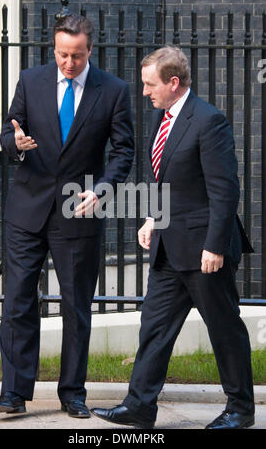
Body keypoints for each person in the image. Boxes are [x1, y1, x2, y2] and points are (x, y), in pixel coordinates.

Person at [91, 46, 255, 430]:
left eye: (150, 84)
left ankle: (240, 409)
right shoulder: (162, 118)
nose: (145, 91)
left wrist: (215, 245)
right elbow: (165, 180)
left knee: (224, 328)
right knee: (154, 326)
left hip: (203, 251)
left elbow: (225, 190)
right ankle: (139, 405)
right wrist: (152, 218)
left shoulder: (208, 121)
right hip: (169, 247)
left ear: (173, 82)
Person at [0, 14, 134, 417]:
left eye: (76, 55)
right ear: (53, 49)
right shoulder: (31, 80)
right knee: (17, 299)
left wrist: (103, 188)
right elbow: (8, 131)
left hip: (80, 211)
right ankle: (14, 393)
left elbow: (124, 151)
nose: (68, 63)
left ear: (90, 50)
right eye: (61, 54)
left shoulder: (114, 91)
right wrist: (15, 143)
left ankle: (73, 393)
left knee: (76, 306)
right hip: (27, 209)